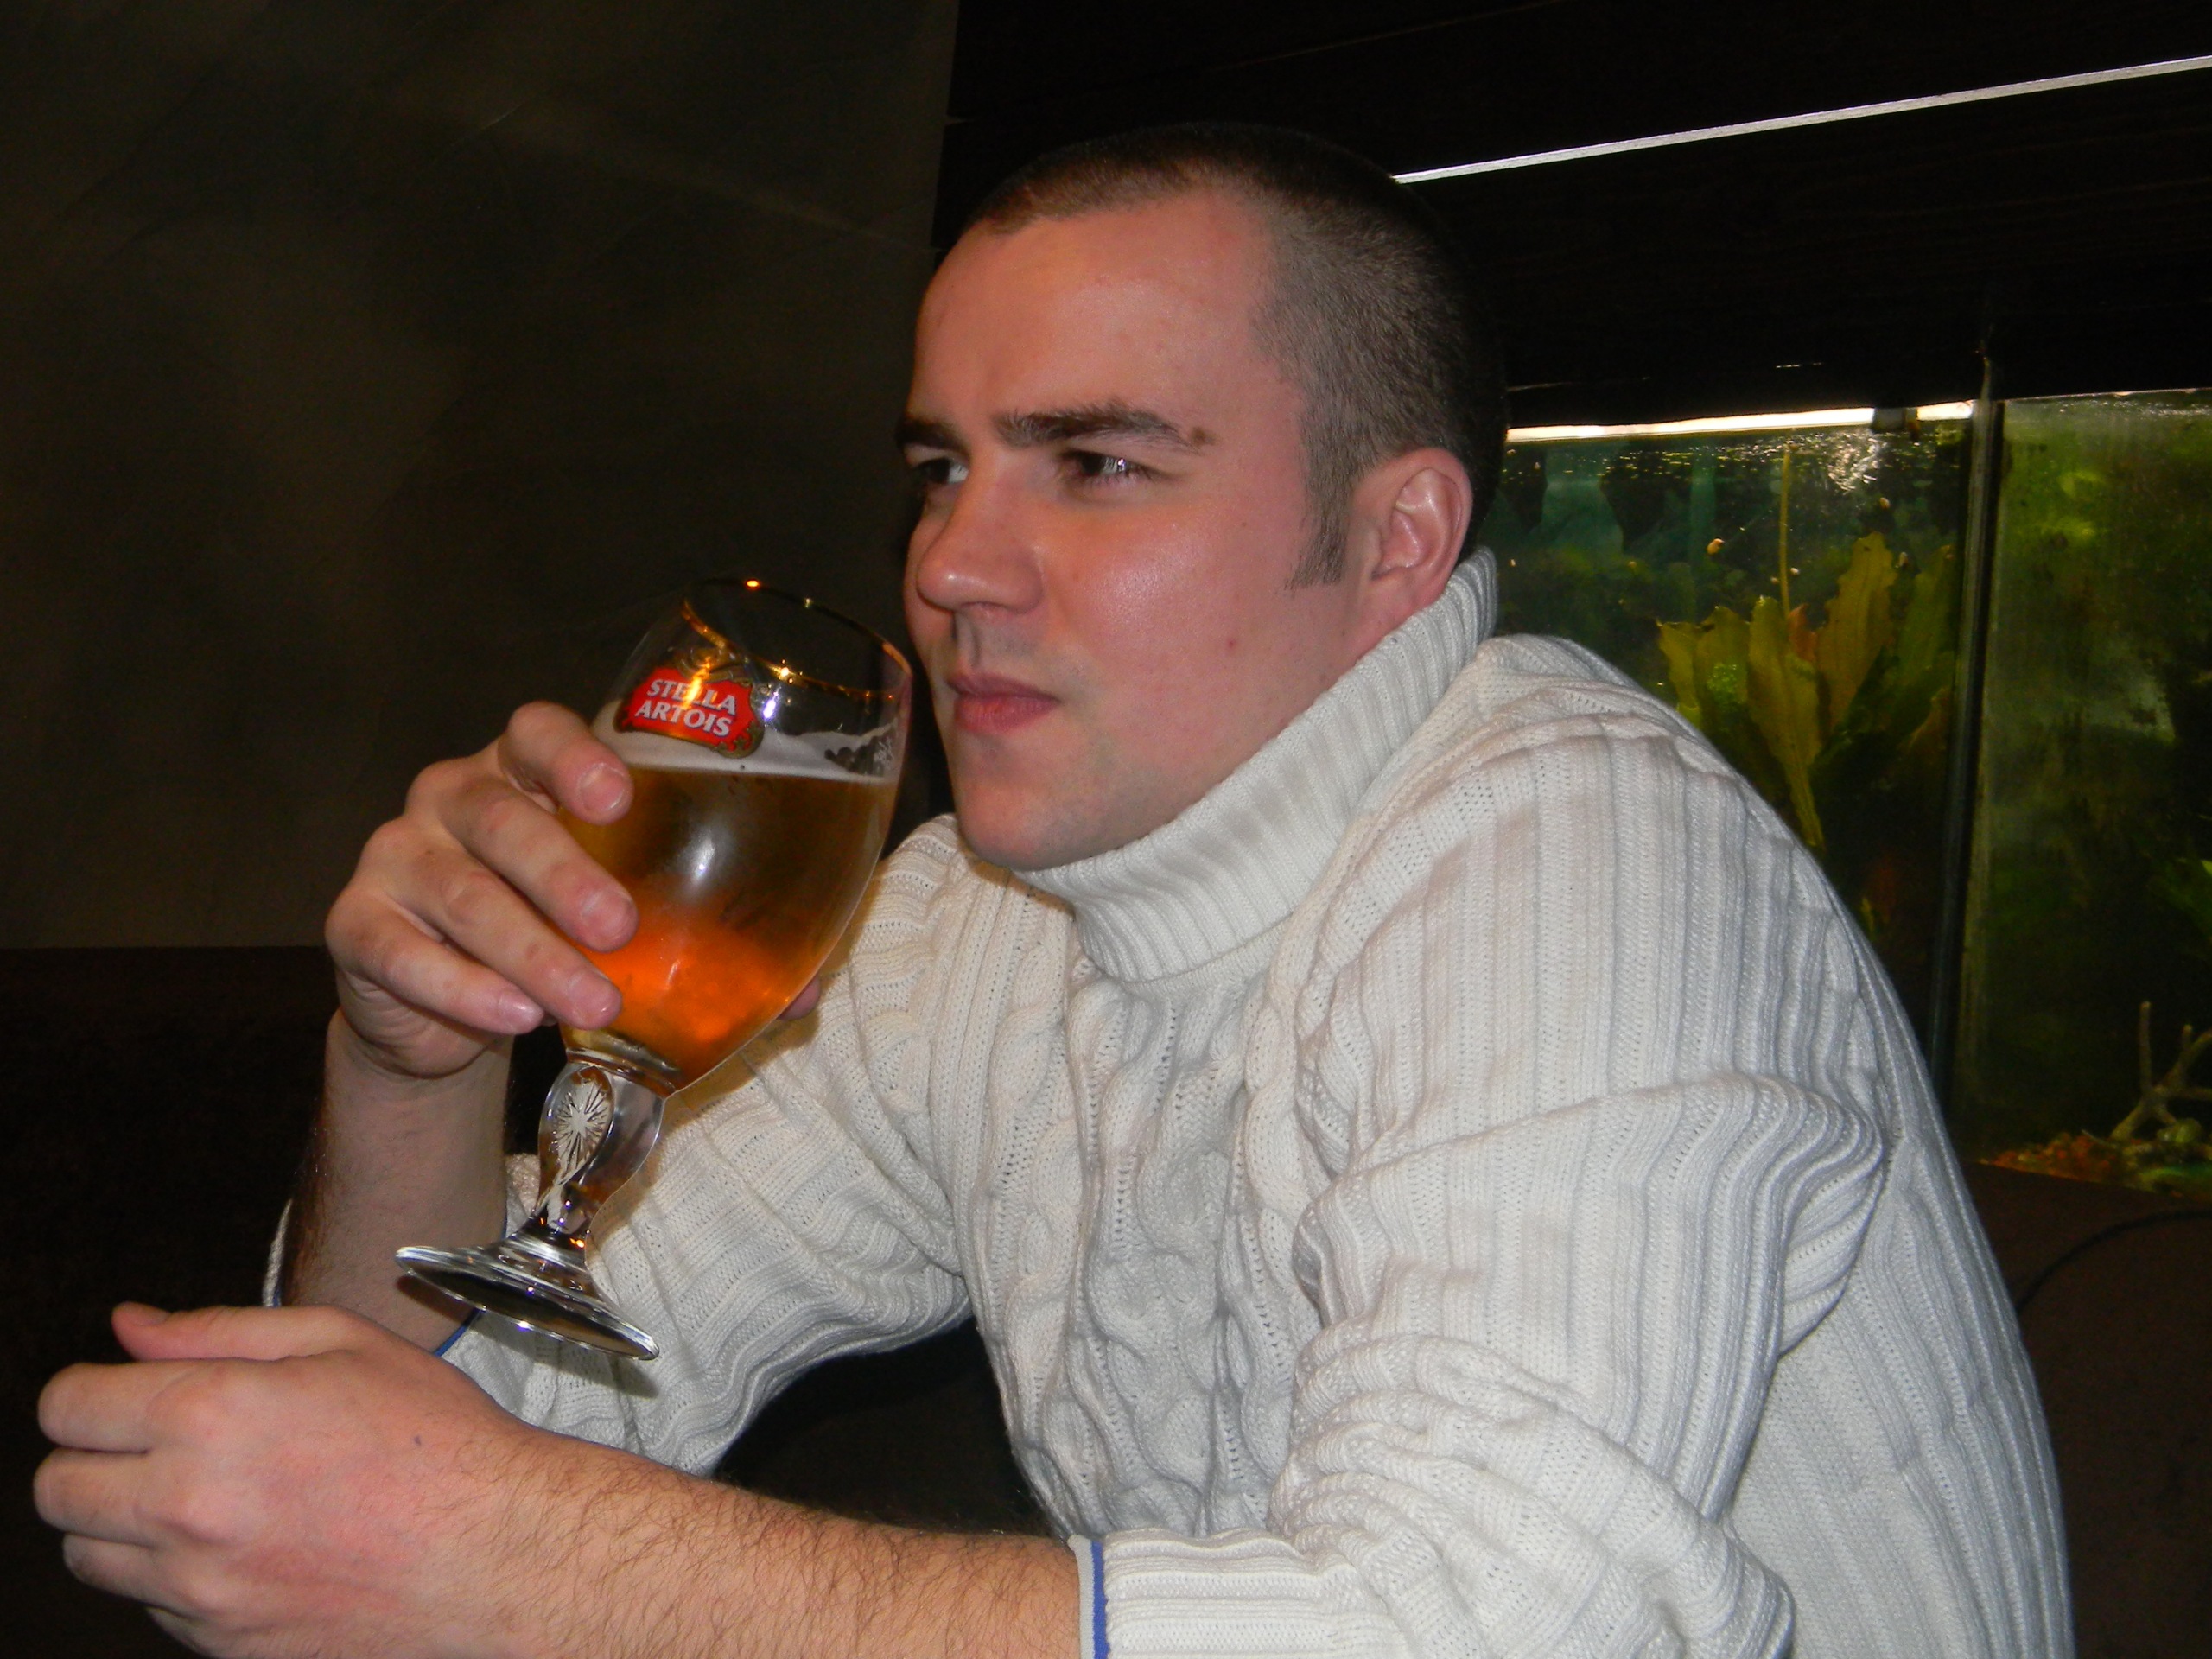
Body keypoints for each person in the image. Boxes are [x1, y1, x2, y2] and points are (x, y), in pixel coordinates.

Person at [36, 124, 2069, 1658]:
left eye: (1093, 465)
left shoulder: (1572, 867)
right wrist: (410, 1067)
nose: (947, 567)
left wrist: (535, 1560)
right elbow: (462, 1431)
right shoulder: (973, 927)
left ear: (1393, 541)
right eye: (942, 467)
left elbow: (1501, 1622)